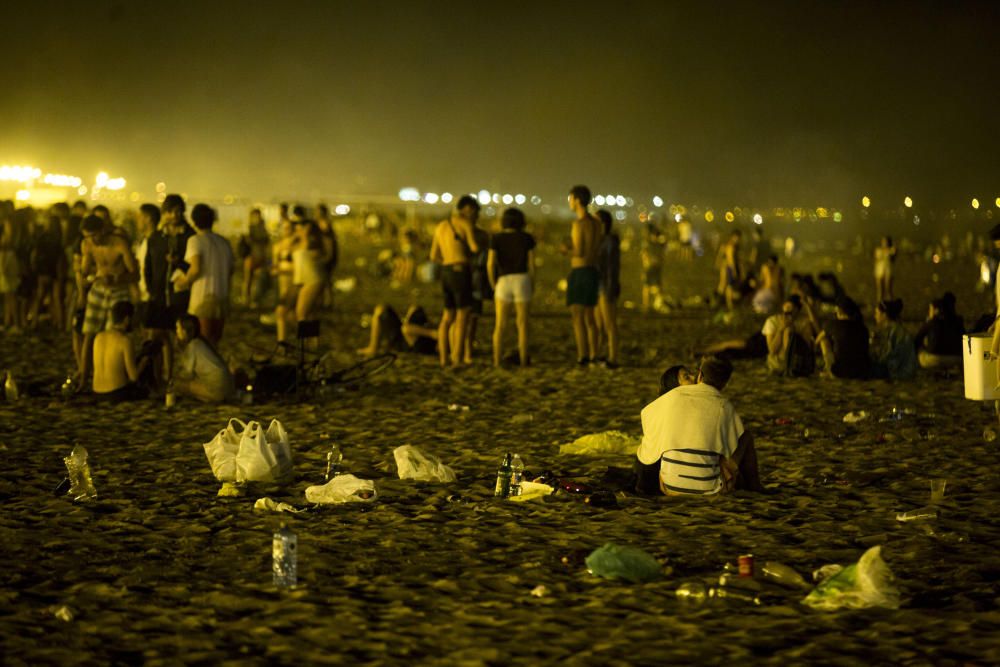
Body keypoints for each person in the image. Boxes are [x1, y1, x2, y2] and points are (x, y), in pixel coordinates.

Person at [636, 356, 763, 495]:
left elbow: (646, 416)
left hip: (669, 487)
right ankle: (755, 488)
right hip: (710, 490)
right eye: (687, 376)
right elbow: (731, 445)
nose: (693, 376)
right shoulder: (723, 405)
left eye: (693, 373)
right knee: (741, 438)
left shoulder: (669, 400)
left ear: (701, 376)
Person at [77, 214, 138, 386]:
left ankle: (117, 377)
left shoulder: (119, 243)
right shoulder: (87, 245)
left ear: (103, 230)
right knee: (89, 333)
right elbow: (84, 270)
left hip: (118, 291)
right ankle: (83, 378)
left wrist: (117, 279)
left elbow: (134, 273)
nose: (92, 240)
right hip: (98, 290)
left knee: (115, 334)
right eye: (87, 236)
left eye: (94, 235)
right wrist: (87, 280)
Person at [172, 204, 234, 346]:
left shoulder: (195, 240)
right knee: (214, 342)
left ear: (193, 221)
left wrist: (183, 282)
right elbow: (231, 270)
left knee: (202, 343)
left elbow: (195, 269)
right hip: (222, 298)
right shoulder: (224, 242)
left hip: (203, 300)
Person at [429, 195, 480, 367]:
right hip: (460, 271)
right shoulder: (464, 223)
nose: (475, 216)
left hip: (445, 272)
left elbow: (433, 255)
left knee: (447, 317)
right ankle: (457, 358)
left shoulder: (440, 226)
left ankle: (443, 358)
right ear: (468, 209)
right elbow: (474, 247)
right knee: (462, 315)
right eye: (474, 212)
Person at [633, 364, 698, 495]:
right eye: (687, 377)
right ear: (675, 388)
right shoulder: (679, 409)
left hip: (645, 467)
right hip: (653, 470)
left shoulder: (657, 407)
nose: (694, 377)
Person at [487, 207, 536, 367]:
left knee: (500, 325)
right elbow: (532, 265)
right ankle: (523, 361)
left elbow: (490, 264)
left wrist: (493, 283)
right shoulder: (527, 238)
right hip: (522, 279)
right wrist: (532, 283)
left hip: (503, 280)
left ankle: (496, 361)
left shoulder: (496, 238)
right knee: (522, 324)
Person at [566, 185, 603, 365]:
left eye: (570, 198)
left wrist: (565, 249)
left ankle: (583, 355)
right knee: (590, 317)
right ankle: (594, 353)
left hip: (580, 271)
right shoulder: (597, 223)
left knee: (577, 316)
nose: (569, 202)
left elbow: (579, 250)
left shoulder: (579, 224)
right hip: (593, 271)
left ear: (577, 200)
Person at [92, 301, 150, 401]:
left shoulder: (98, 337)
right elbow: (133, 377)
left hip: (96, 393)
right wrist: (144, 361)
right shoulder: (124, 341)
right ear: (127, 319)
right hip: (117, 393)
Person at [172, 313, 236, 403]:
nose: (176, 332)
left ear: (185, 331)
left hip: (217, 389)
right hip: (228, 388)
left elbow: (187, 373)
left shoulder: (193, 346)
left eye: (178, 328)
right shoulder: (201, 342)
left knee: (176, 384)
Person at [815, 296, 870, 379]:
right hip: (862, 371)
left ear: (839, 312)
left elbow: (818, 340)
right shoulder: (862, 327)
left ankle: (828, 370)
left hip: (840, 371)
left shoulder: (833, 324)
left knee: (824, 340)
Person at [357, 304, 438, 358]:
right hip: (407, 334)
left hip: (400, 342)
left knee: (381, 313)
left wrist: (432, 333)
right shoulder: (426, 331)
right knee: (381, 308)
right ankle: (372, 348)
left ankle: (373, 348)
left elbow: (406, 329)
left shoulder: (424, 340)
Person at [595, 209, 621, 368]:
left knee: (609, 324)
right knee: (599, 325)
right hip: (597, 285)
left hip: (606, 286)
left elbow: (612, 267)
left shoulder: (610, 241)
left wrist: (612, 288)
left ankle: (613, 357)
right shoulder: (599, 240)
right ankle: (599, 354)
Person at [870, 298, 917, 380]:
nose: (875, 316)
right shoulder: (897, 328)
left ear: (884, 315)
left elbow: (889, 356)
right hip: (906, 369)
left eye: (877, 313)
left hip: (900, 372)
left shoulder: (892, 331)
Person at [915, 293, 964, 368]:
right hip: (956, 359)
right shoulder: (958, 320)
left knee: (920, 352)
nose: (929, 312)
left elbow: (917, 340)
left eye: (930, 309)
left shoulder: (932, 322)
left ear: (936, 310)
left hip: (933, 359)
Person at [271, 217, 296, 345]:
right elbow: (275, 265)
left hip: (294, 282)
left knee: (281, 312)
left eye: (289, 228)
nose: (287, 230)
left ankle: (282, 342)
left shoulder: (296, 244)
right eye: (285, 228)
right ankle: (285, 341)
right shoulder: (277, 246)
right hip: (282, 283)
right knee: (290, 313)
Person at [240, 208, 270, 308]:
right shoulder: (250, 228)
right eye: (255, 215)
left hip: (260, 256)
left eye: (258, 215)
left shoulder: (262, 228)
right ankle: (246, 299)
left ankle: (254, 299)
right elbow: (248, 241)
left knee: (258, 280)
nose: (257, 217)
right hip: (251, 256)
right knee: (248, 279)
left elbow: (265, 241)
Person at [874, 236, 897, 302]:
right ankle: (880, 305)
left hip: (888, 270)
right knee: (880, 291)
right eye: (883, 241)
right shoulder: (878, 250)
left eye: (886, 241)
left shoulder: (892, 250)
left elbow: (893, 258)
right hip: (880, 271)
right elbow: (876, 259)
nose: (884, 243)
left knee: (888, 289)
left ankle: (890, 305)